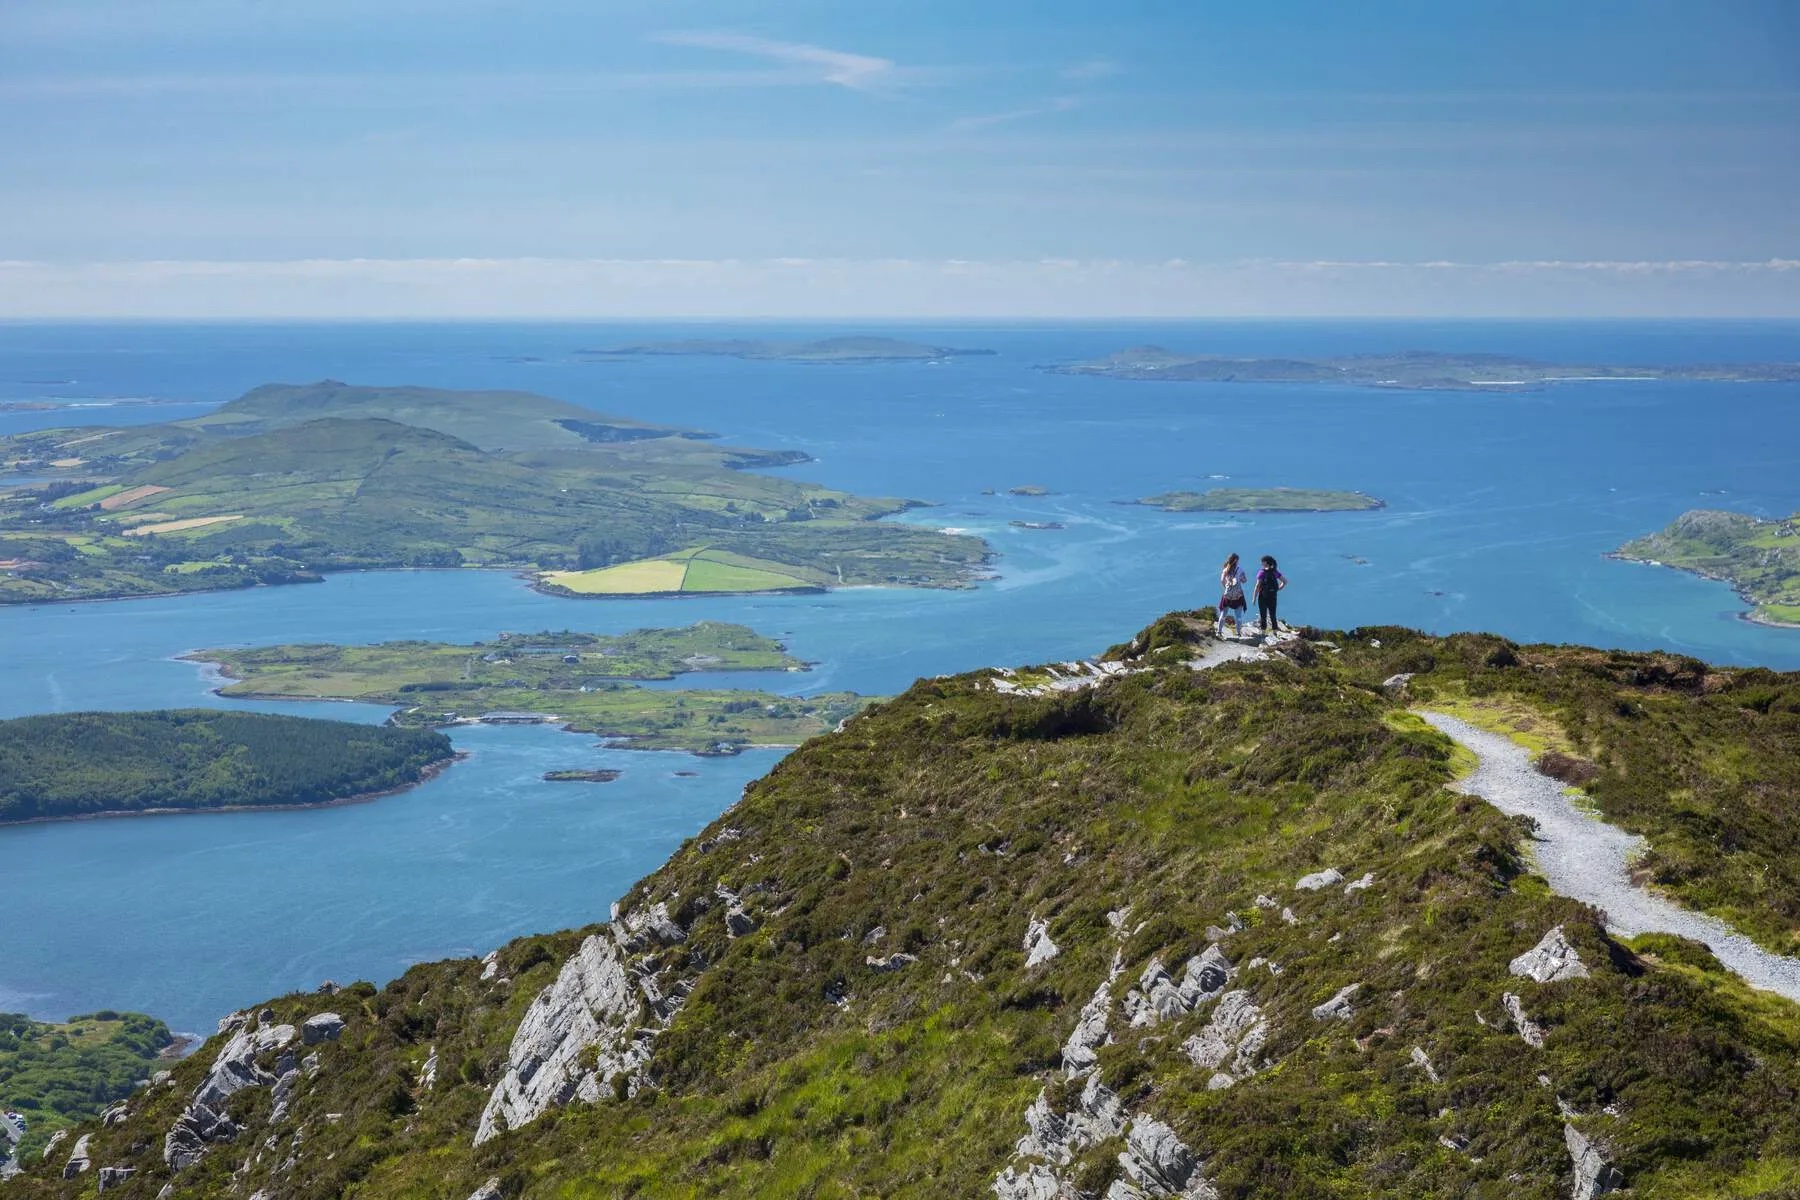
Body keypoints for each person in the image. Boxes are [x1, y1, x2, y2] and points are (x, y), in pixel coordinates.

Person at [1217, 553, 1248, 637]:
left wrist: (1226, 587)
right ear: (1236, 560)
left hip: (1227, 594)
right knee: (1238, 616)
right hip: (1238, 595)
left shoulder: (1225, 569)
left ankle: (1219, 632)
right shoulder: (1240, 569)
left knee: (1223, 614)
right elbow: (1244, 580)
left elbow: (1222, 580)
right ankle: (1238, 633)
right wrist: (1240, 579)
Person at [1253, 555, 1286, 635]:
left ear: (1266, 562)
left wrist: (1254, 598)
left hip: (1262, 596)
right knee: (1273, 615)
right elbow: (1285, 581)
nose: (1261, 563)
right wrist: (1277, 589)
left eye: (1262, 561)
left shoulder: (1261, 572)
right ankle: (1275, 632)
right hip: (1273, 596)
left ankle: (1263, 632)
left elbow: (1257, 586)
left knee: (1263, 615)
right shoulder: (1275, 572)